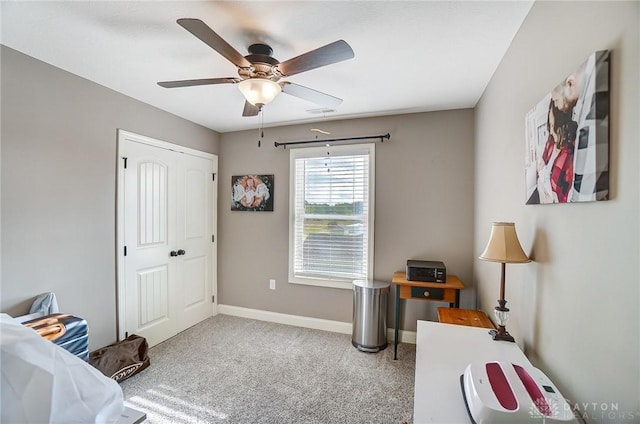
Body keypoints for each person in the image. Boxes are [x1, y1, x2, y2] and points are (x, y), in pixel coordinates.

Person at [551, 51, 609, 201]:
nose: (557, 107)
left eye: (556, 100)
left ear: (570, 84)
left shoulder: (593, 98)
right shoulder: (586, 104)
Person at [536, 100, 577, 203]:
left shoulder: (568, 153)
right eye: (550, 125)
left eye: (554, 127)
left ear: (563, 126)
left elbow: (558, 197)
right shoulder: (550, 142)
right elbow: (538, 171)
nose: (551, 132)